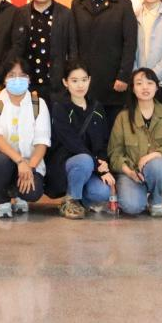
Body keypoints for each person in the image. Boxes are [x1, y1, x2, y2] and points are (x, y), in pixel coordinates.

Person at [0, 57, 53, 219]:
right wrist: (20, 162)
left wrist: (30, 167)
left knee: (33, 192)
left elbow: (42, 142)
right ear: (4, 79)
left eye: (22, 75)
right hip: (3, 161)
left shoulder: (38, 103)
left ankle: (20, 195)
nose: (17, 79)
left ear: (29, 79)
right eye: (11, 75)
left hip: (30, 161)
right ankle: (3, 201)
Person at [109, 67, 162, 216]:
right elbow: (114, 153)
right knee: (132, 207)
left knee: (157, 167)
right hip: (131, 172)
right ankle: (139, 193)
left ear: (157, 87)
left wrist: (152, 156)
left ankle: (156, 200)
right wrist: (129, 172)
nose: (145, 87)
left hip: (158, 169)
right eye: (139, 83)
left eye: (150, 83)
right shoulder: (123, 117)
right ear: (133, 89)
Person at [45, 60, 114, 219]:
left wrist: (103, 161)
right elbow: (72, 143)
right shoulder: (60, 107)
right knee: (84, 160)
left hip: (92, 165)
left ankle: (80, 199)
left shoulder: (97, 107)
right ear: (65, 82)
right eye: (74, 80)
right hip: (67, 164)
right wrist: (97, 164)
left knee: (102, 193)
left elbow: (104, 140)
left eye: (84, 80)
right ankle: (71, 200)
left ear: (89, 80)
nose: (80, 85)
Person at [72, 0, 137, 120]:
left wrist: (124, 76)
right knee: (85, 124)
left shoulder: (123, 4)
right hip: (84, 78)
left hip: (113, 79)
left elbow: (130, 43)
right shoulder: (78, 3)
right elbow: (73, 41)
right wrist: (73, 73)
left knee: (112, 127)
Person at [10, 0, 78, 105]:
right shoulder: (20, 13)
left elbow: (73, 49)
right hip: (26, 83)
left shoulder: (66, 14)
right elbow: (14, 47)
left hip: (57, 84)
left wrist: (71, 78)